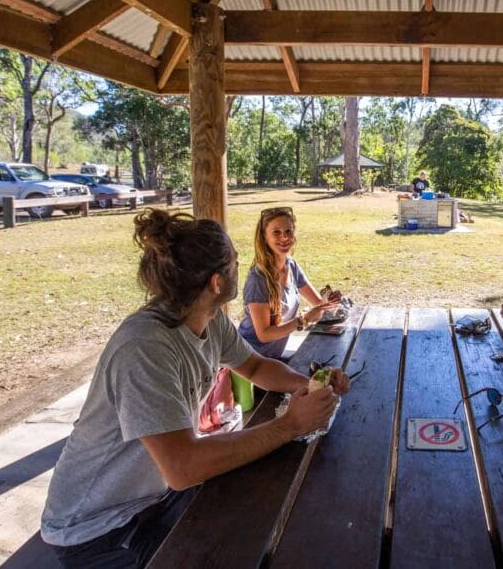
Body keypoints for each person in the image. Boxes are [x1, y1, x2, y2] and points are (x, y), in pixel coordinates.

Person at [41, 208, 349, 567]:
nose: (240, 266)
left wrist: (311, 384)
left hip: (155, 497)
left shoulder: (207, 315)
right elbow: (183, 466)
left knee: (261, 518)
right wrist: (290, 424)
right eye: (234, 261)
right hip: (97, 528)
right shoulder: (144, 348)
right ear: (217, 282)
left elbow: (254, 366)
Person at [238, 206, 342, 359]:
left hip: (273, 359)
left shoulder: (291, 265)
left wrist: (329, 300)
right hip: (249, 363)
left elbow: (319, 307)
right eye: (276, 232)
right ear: (264, 237)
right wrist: (303, 320)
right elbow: (264, 335)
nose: (284, 237)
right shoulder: (258, 279)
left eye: (288, 231)